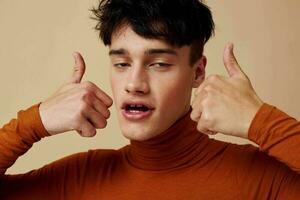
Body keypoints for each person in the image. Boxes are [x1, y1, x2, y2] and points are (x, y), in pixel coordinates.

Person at [0, 0, 300, 199]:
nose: (134, 84)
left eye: (158, 64)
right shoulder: (78, 179)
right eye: (121, 63)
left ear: (198, 73)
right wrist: (34, 122)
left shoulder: (263, 180)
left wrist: (260, 121)